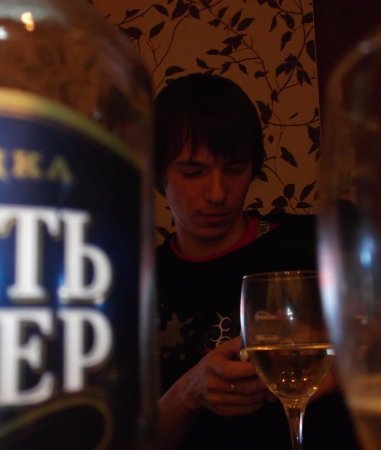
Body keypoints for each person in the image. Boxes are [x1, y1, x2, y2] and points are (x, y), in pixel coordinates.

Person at [154, 73, 359, 450]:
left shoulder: (315, 242)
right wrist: (189, 391)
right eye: (193, 172)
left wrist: (343, 363)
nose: (217, 193)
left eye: (235, 170)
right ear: (159, 175)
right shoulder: (135, 282)